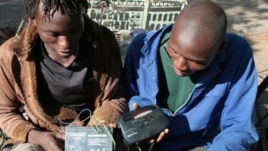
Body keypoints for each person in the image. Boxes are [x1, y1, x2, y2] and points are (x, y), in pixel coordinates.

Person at [124, 0, 259, 150]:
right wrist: (140, 118)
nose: (180, 65)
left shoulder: (237, 54)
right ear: (172, 30)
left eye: (196, 61)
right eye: (174, 51)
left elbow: (238, 126)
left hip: (196, 144)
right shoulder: (141, 49)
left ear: (220, 48)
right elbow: (130, 95)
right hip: (146, 143)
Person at [0, 0, 128, 150]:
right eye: (53, 34)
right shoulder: (12, 54)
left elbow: (117, 94)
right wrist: (36, 136)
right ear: (34, 21)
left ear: (82, 15)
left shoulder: (103, 43)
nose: (65, 44)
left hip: (94, 129)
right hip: (42, 133)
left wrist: (97, 127)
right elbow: (5, 111)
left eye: (74, 31)